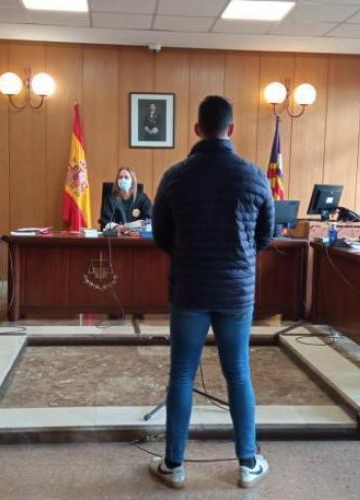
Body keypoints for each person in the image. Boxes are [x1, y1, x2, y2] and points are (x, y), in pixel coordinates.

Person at [151, 96, 274, 489]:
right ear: (231, 129)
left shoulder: (175, 176)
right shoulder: (255, 176)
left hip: (189, 288)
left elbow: (161, 235)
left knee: (181, 374)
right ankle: (248, 463)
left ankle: (173, 465)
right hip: (237, 292)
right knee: (238, 372)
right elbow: (265, 236)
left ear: (197, 129)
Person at [99, 167, 152, 231]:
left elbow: (150, 219)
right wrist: (115, 226)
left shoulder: (143, 199)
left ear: (132, 181)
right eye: (120, 177)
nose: (123, 180)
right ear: (117, 181)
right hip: (116, 235)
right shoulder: (110, 200)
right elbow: (105, 221)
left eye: (126, 177)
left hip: (137, 235)